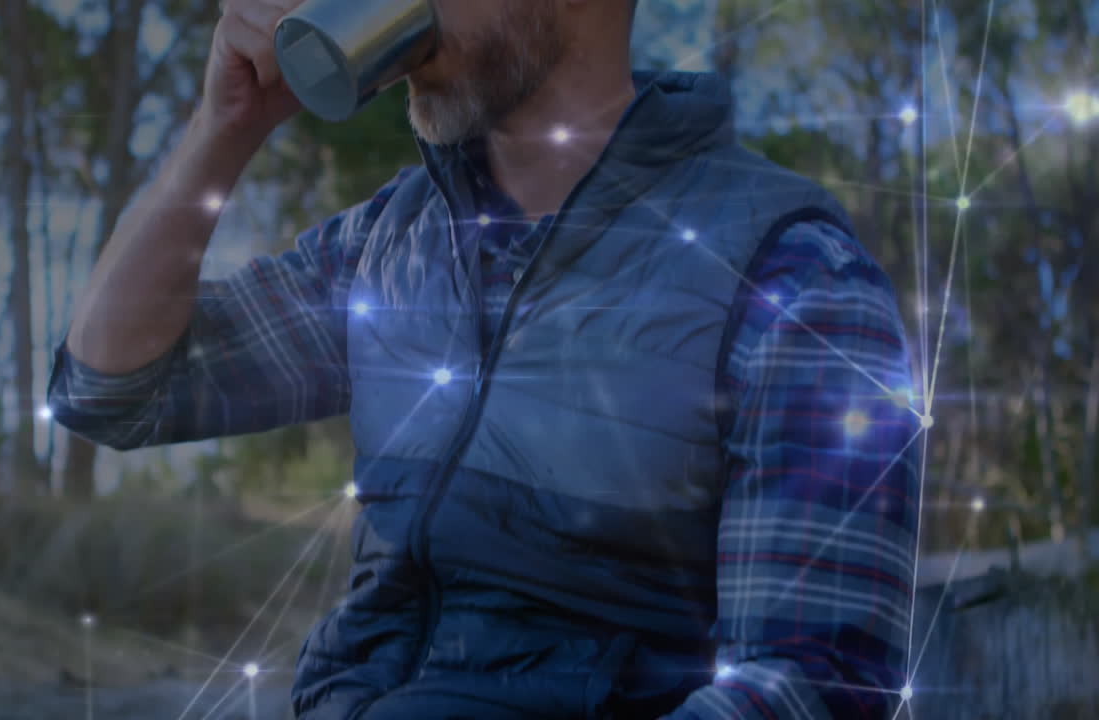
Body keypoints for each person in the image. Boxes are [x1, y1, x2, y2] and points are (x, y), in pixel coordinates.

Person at [47, 0, 921, 717]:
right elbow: (111, 390)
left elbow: (810, 685)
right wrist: (224, 127)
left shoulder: (791, 277)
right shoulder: (392, 244)